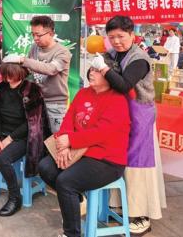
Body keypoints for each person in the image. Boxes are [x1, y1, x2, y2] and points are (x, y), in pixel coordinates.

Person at [90, 15, 166, 236]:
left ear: (132, 35)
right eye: (112, 37)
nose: (116, 41)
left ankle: (142, 215)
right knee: (119, 156)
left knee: (137, 162)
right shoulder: (113, 54)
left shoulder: (139, 58)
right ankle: (121, 204)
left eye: (121, 36)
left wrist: (104, 70)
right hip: (120, 112)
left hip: (139, 112)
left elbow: (124, 85)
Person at [38, 67, 130, 237]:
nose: (91, 73)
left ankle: (71, 233)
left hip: (106, 159)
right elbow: (69, 118)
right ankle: (76, 199)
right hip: (78, 151)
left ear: (110, 76)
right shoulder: (83, 93)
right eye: (91, 70)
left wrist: (70, 141)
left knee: (66, 182)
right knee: (45, 167)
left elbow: (101, 133)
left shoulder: (117, 100)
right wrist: (64, 144)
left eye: (97, 71)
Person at [0, 63, 48, 217]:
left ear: (20, 72)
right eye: (5, 74)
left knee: (3, 159)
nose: (7, 78)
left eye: (10, 75)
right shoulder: (1, 89)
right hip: (1, 133)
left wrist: (9, 139)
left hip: (24, 136)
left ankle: (15, 197)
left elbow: (32, 122)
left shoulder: (32, 91)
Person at [2, 15, 72, 133]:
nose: (35, 38)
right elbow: (29, 69)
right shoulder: (34, 48)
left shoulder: (63, 52)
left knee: (56, 137)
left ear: (51, 33)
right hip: (36, 100)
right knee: (36, 136)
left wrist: (22, 60)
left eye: (38, 35)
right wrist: (11, 70)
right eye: (33, 34)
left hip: (55, 104)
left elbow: (51, 69)